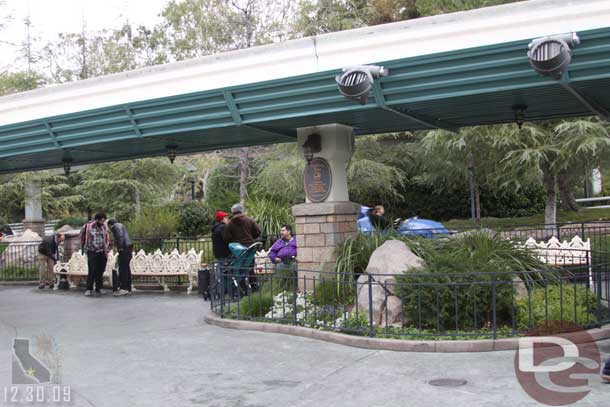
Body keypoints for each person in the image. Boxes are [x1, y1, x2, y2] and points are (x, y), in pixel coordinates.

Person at [80, 213, 110, 296]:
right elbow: (81, 236)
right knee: (92, 270)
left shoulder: (104, 227)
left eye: (104, 220)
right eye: (101, 220)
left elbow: (107, 237)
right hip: (92, 251)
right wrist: (84, 247)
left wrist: (107, 247)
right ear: (97, 219)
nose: (102, 222)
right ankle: (89, 289)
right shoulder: (88, 226)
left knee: (100, 270)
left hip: (102, 251)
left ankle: (99, 288)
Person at [107, 219, 133, 296]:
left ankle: (123, 288)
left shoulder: (115, 226)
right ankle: (128, 288)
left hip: (124, 249)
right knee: (126, 269)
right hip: (128, 248)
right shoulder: (121, 225)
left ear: (109, 224)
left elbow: (120, 236)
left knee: (123, 269)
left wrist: (120, 247)